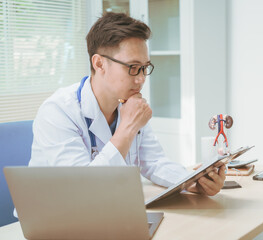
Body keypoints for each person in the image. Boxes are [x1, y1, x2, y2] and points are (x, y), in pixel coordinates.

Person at [28, 12, 225, 196]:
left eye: (144, 68)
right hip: (55, 221)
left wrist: (191, 182)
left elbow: (154, 162)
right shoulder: (58, 112)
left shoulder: (128, 103)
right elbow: (84, 188)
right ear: (99, 64)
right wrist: (128, 127)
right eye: (132, 67)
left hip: (107, 209)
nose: (141, 79)